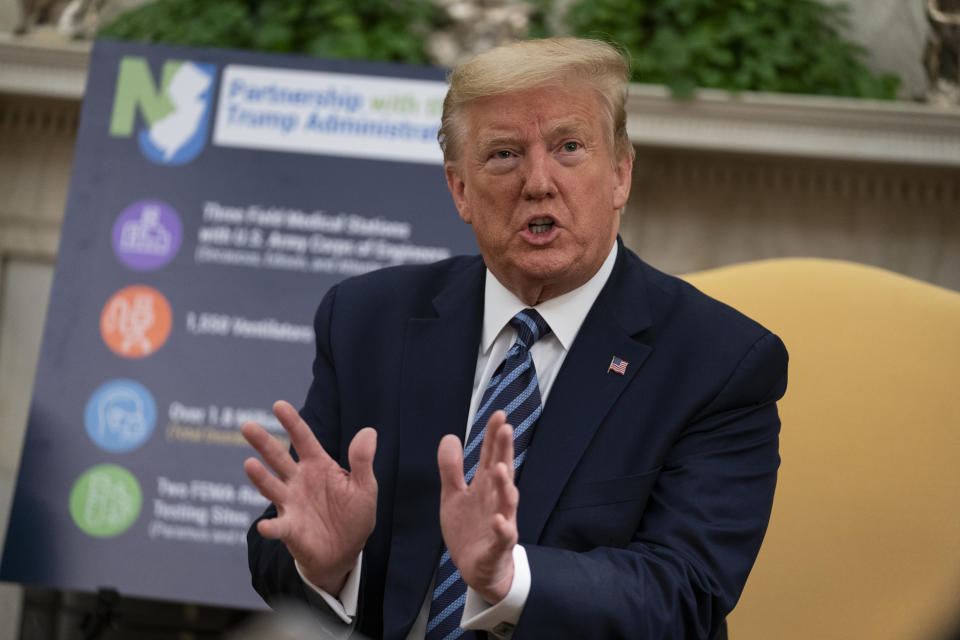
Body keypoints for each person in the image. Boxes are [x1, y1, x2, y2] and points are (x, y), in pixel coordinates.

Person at [242, 37, 788, 640]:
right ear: (460, 191)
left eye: (569, 147)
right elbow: (289, 540)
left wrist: (510, 578)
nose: (538, 182)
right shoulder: (368, 320)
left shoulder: (719, 362)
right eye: (503, 155)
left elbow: (685, 595)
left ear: (621, 174)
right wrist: (331, 565)